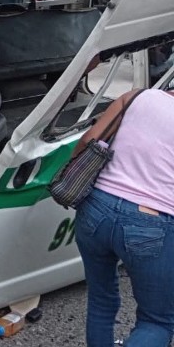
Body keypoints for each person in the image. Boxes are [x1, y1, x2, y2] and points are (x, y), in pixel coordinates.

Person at [74, 87, 174, 346]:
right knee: (156, 321)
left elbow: (88, 142)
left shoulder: (139, 96)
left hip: (96, 207)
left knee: (101, 298)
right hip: (152, 221)